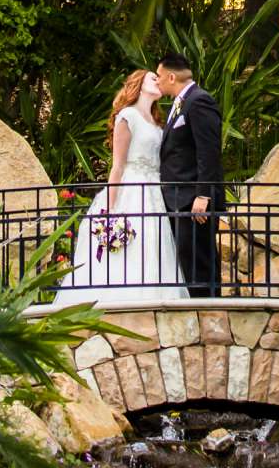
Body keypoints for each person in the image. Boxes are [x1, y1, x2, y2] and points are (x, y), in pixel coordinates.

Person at [55, 70, 189, 306]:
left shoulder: (158, 121)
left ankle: (155, 301)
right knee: (131, 247)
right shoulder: (127, 116)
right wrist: (110, 208)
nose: (158, 81)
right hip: (132, 189)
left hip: (154, 191)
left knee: (154, 247)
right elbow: (117, 166)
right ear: (137, 84)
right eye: (152, 78)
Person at [154, 54, 224, 298]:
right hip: (179, 198)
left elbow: (209, 152)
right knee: (188, 259)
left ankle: (208, 312)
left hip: (194, 200)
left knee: (199, 261)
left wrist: (203, 194)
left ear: (172, 77)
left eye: (160, 77)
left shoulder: (199, 101)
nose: (158, 82)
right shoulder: (180, 103)